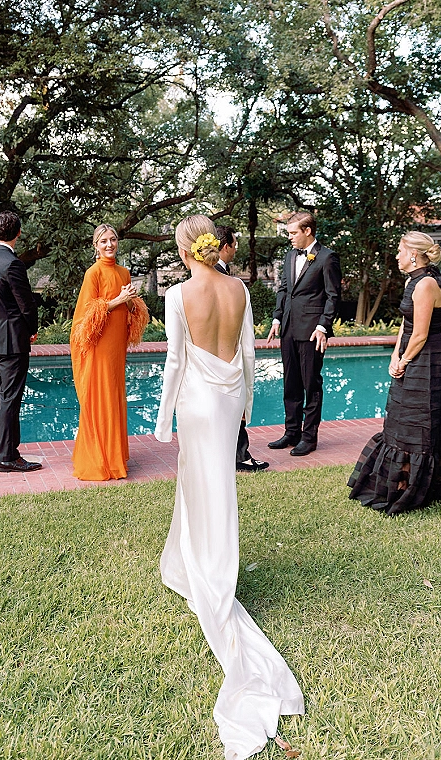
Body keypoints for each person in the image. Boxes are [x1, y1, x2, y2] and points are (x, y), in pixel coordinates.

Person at [155, 215, 304, 759]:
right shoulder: (239, 288)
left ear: (184, 250)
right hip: (227, 399)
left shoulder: (177, 295)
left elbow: (175, 360)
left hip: (196, 402)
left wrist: (163, 419)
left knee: (200, 483)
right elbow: (248, 355)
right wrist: (244, 407)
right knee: (218, 486)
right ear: (213, 245)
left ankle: (209, 574)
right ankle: (197, 562)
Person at [348, 232, 441, 515]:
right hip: (411, 355)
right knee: (401, 420)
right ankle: (400, 482)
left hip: (426, 360)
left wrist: (404, 360)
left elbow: (421, 334)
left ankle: (417, 488)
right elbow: (406, 324)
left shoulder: (427, 283)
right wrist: (395, 355)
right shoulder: (412, 281)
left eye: (400, 251)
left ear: (414, 254)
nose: (396, 256)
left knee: (420, 422)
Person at [70, 223, 149, 481]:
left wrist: (131, 301)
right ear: (96, 246)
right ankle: (100, 459)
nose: (109, 245)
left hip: (116, 347)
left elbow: (132, 310)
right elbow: (86, 317)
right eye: (103, 241)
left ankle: (115, 457)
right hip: (100, 346)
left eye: (112, 239)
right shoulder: (92, 274)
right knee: (100, 396)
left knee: (115, 396)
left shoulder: (124, 273)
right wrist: (117, 300)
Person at [266, 212, 341, 456]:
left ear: (307, 231)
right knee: (290, 384)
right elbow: (284, 289)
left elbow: (333, 296)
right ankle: (291, 433)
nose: (289, 237)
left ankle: (309, 438)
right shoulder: (290, 255)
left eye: (293, 232)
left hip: (312, 332)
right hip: (288, 328)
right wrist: (277, 318)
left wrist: (323, 326)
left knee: (311, 384)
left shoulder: (327, 257)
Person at [0, 211, 42, 473]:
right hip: (12, 340)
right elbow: (26, 304)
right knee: (10, 397)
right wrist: (32, 330)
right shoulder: (13, 264)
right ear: (18, 233)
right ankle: (7, 456)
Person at [216, 224, 269, 473]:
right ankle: (240, 456)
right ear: (225, 247)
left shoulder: (196, 280)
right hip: (229, 354)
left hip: (204, 357)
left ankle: (225, 455)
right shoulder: (232, 284)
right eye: (234, 245)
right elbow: (243, 329)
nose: (236, 250)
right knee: (234, 404)